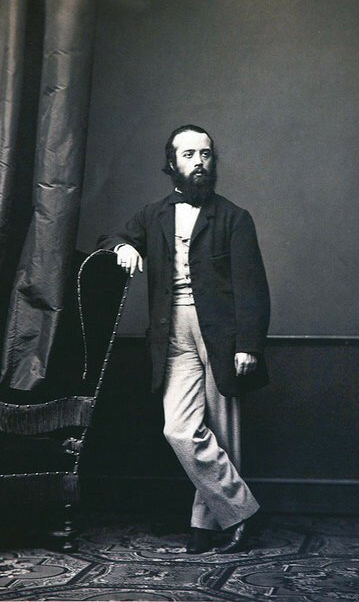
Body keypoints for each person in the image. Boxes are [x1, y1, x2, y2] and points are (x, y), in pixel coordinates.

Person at [97, 124, 270, 553]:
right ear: (172, 163)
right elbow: (111, 237)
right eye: (189, 155)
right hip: (171, 331)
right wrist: (123, 247)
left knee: (223, 433)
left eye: (205, 154)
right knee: (179, 429)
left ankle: (205, 526)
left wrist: (248, 344)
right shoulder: (153, 214)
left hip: (223, 334)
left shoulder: (234, 218)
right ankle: (243, 511)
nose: (199, 162)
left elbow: (253, 288)